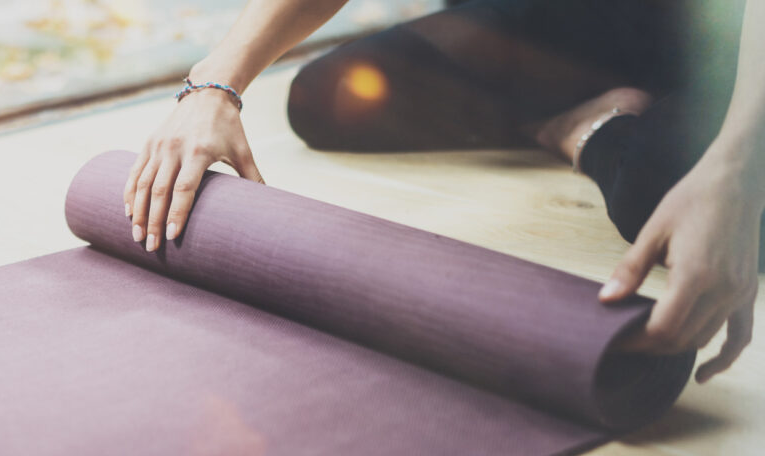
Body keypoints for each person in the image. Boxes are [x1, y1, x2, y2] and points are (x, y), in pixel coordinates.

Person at [124, 0, 762, 382]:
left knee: (664, 186)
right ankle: (599, 111)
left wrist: (732, 173)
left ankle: (593, 130)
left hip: (726, 34)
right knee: (331, 98)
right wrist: (214, 88)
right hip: (583, 19)